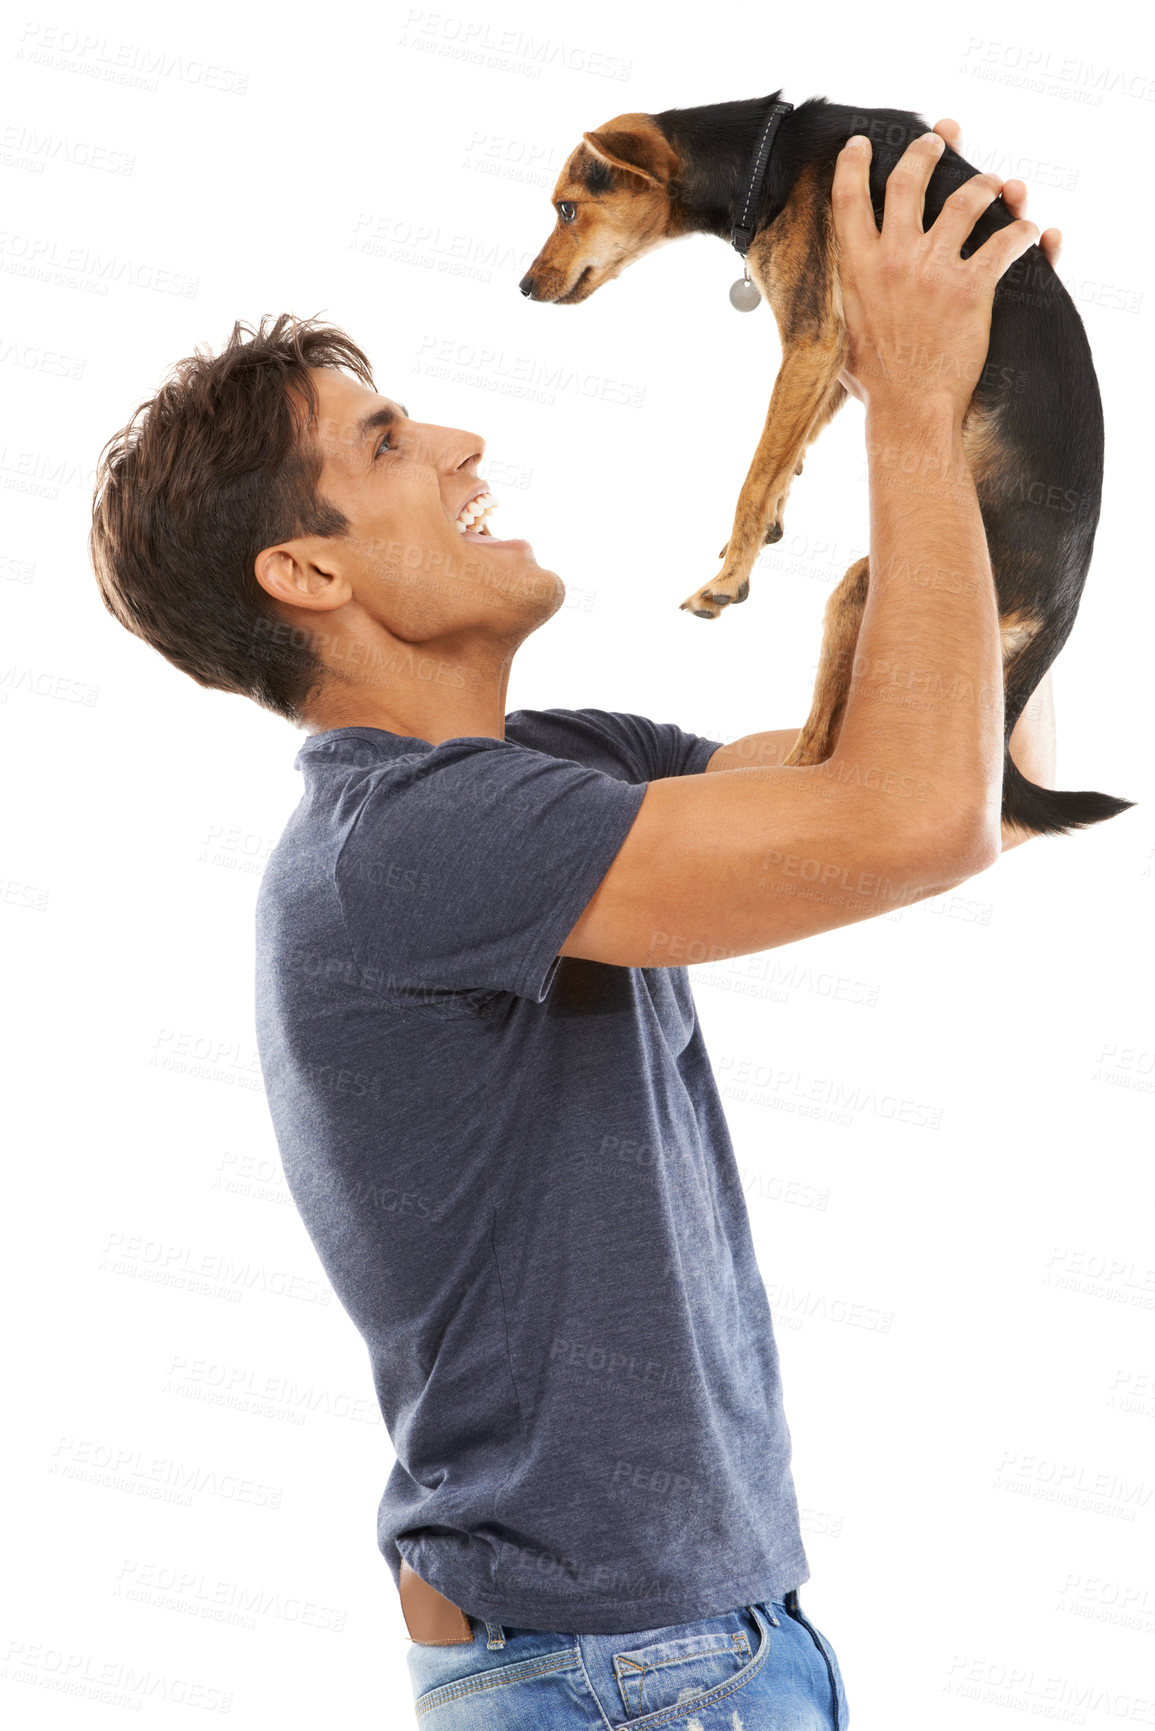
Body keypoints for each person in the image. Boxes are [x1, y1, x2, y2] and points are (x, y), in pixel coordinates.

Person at [90, 117, 1057, 1729]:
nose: (464, 444)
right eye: (391, 443)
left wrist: (993, 392)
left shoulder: (552, 776)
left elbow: (977, 771)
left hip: (686, 1650)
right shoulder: (408, 847)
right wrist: (905, 398)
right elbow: (916, 824)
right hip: (633, 1677)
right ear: (304, 573)